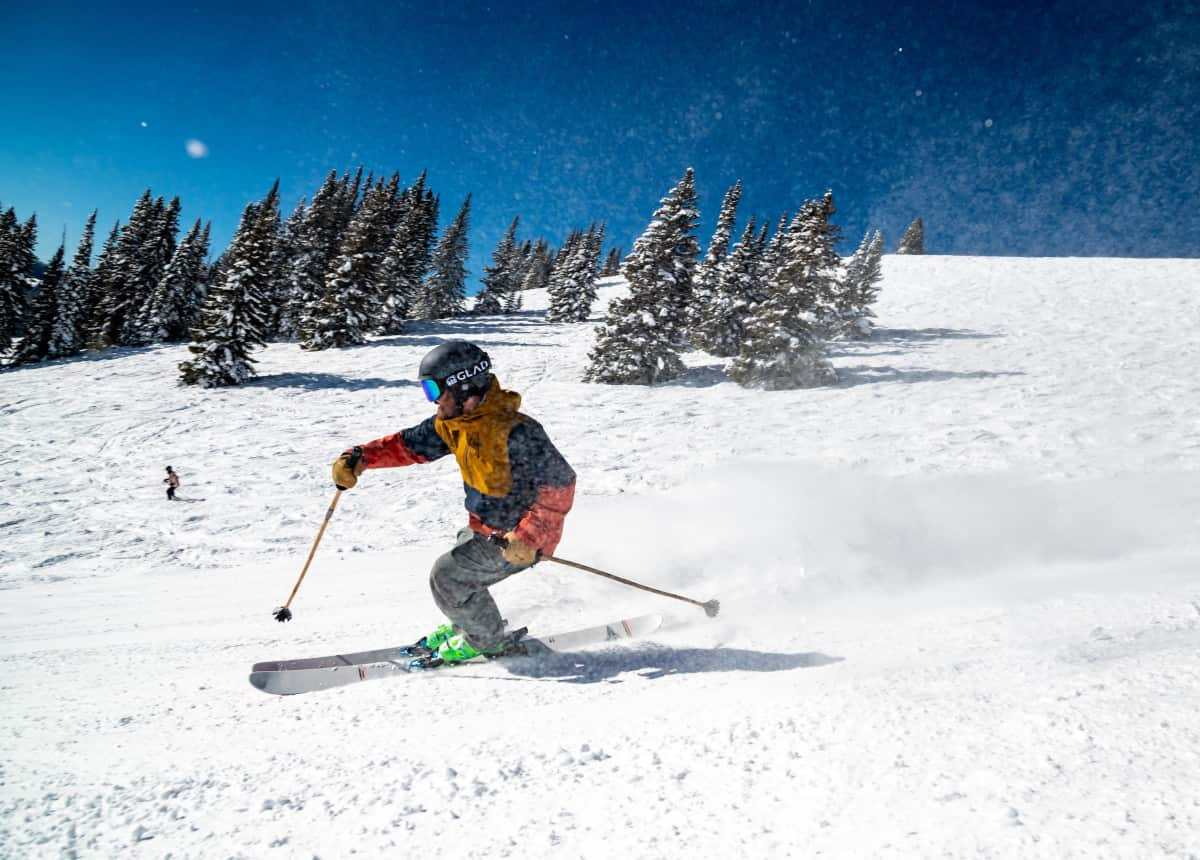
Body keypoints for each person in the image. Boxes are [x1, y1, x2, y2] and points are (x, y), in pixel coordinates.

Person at [332, 341, 576, 664]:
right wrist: (361, 457)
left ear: (463, 387)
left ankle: (487, 640)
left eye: (434, 389)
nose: (433, 401)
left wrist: (529, 537)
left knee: (447, 578)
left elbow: (561, 483)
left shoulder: (516, 432)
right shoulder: (455, 425)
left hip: (519, 539)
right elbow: (408, 445)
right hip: (483, 528)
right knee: (460, 572)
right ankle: (471, 622)